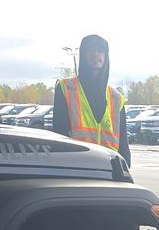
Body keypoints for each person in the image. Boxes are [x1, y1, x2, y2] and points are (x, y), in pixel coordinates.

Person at [52, 34, 130, 165]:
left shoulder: (116, 98)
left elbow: (123, 147)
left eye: (100, 51)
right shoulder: (66, 89)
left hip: (109, 173)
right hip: (77, 170)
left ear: (106, 56)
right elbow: (59, 136)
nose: (96, 55)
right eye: (91, 51)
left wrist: (124, 169)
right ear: (83, 55)